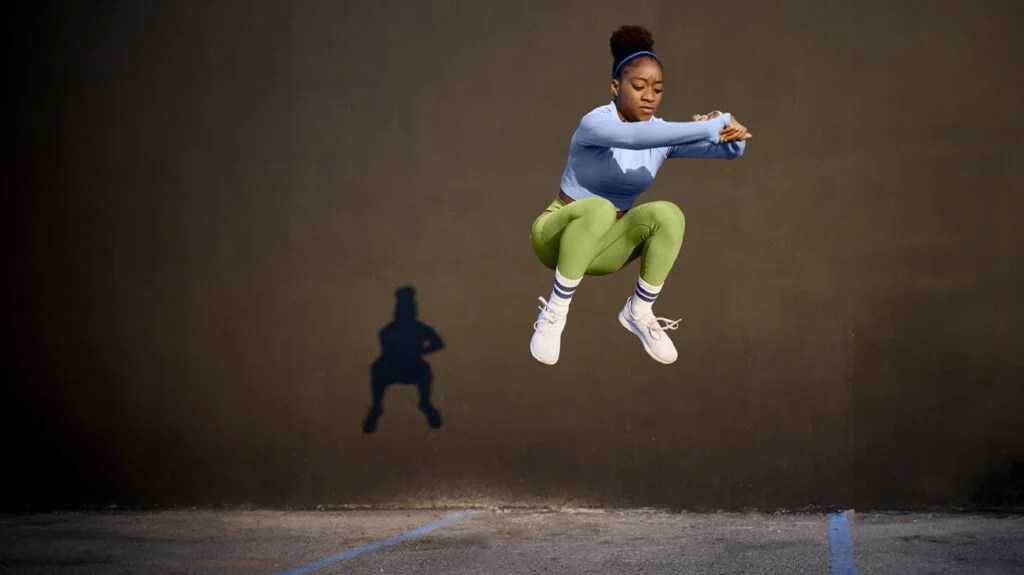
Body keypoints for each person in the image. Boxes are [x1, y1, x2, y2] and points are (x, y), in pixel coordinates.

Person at [529, 25, 751, 366]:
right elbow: (634, 138)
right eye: (639, 86)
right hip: (555, 237)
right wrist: (709, 126)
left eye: (658, 89)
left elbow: (730, 152)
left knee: (668, 214)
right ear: (615, 87)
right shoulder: (595, 122)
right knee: (600, 208)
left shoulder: (660, 135)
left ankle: (639, 311)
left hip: (606, 249)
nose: (649, 96)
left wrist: (727, 128)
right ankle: (554, 315)